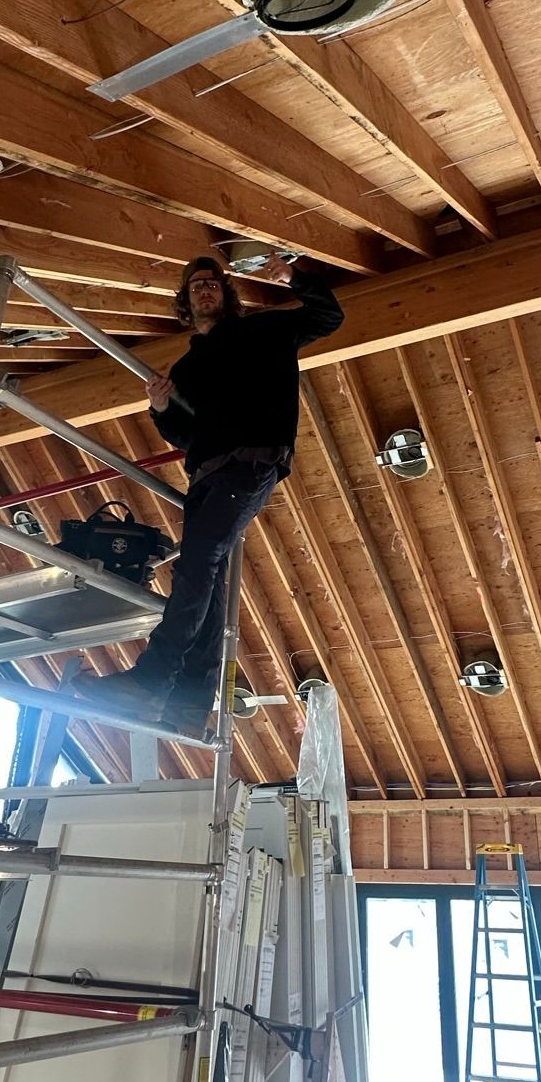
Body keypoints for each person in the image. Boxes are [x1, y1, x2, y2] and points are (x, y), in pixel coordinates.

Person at [65, 251, 343, 738]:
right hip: (208, 474)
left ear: (226, 294)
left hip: (251, 462)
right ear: (186, 303)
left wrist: (292, 277)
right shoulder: (187, 368)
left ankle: (151, 679)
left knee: (197, 565)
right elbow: (186, 435)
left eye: (212, 283)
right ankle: (190, 705)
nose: (205, 289)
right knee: (207, 583)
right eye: (196, 285)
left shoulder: (266, 331)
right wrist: (159, 409)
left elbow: (328, 317)